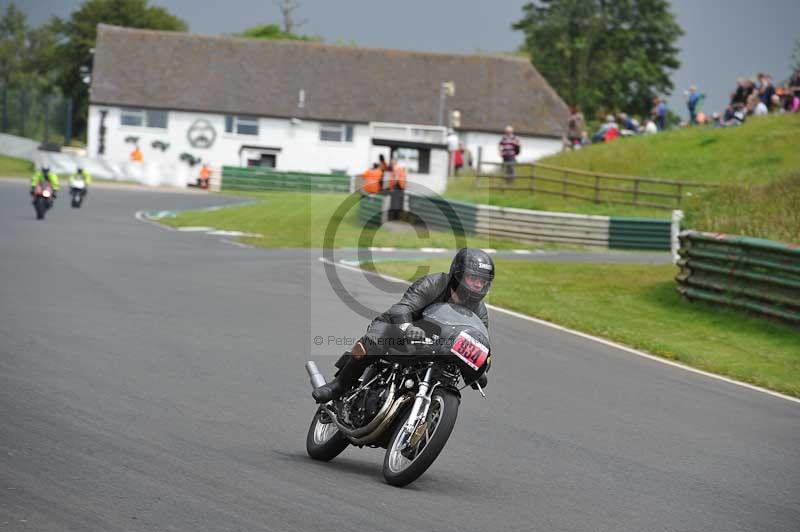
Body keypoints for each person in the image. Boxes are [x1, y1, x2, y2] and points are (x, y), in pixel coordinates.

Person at [312, 248, 495, 404]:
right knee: (374, 341)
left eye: (482, 281)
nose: (478, 285)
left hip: (438, 348)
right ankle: (339, 385)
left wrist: (480, 367)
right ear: (458, 274)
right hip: (400, 328)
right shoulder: (433, 284)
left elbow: (480, 340)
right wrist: (408, 327)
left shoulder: (480, 311)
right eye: (473, 278)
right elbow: (402, 307)